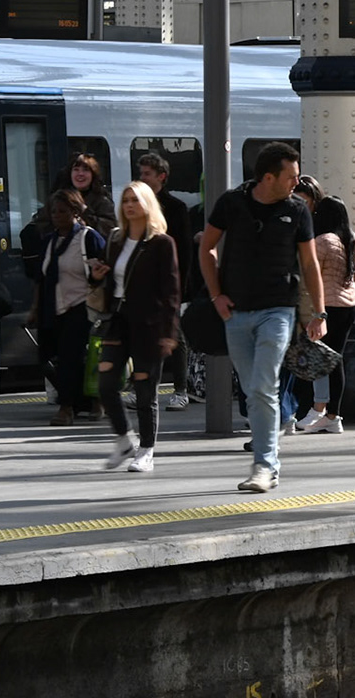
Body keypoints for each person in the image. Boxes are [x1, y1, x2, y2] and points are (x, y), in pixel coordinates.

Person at [199, 141, 326, 493]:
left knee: (263, 385)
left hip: (278, 310)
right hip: (236, 311)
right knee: (253, 391)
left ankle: (265, 465)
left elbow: (310, 263)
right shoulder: (231, 203)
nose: (296, 184)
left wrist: (319, 312)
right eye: (291, 177)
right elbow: (206, 247)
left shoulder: (297, 211)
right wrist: (216, 296)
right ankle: (267, 461)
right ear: (268, 177)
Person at [92, 182, 181, 472]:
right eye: (126, 200)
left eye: (135, 200)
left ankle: (147, 450)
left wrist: (169, 332)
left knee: (145, 391)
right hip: (117, 320)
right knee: (105, 384)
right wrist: (97, 276)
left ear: (147, 204)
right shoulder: (115, 239)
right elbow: (108, 282)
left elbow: (171, 291)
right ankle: (123, 439)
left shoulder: (161, 243)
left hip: (149, 324)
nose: (129, 205)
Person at [290, 178, 355, 433]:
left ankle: (321, 412)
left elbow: (310, 277)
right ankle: (332, 414)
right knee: (336, 360)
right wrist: (351, 295)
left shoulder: (322, 241)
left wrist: (312, 312)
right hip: (349, 306)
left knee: (319, 360)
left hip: (326, 308)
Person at [29, 190, 107, 424]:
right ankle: (89, 399)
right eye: (53, 211)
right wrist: (34, 309)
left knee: (70, 356)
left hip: (82, 306)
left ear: (75, 212)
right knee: (49, 356)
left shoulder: (88, 238)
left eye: (62, 211)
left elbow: (104, 272)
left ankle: (66, 408)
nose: (56, 216)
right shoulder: (50, 242)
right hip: (54, 308)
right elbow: (40, 279)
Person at [137, 152, 196, 410]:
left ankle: (180, 389)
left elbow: (184, 251)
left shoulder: (175, 208)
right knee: (145, 333)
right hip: (145, 281)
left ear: (161, 177)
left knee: (176, 334)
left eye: (147, 174)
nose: (142, 178)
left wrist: (181, 286)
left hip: (169, 280)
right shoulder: (138, 206)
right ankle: (143, 386)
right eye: (141, 174)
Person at [45, 152, 116, 232]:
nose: (80, 174)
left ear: (93, 175)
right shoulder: (57, 198)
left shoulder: (103, 200)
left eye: (85, 170)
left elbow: (108, 229)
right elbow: (43, 223)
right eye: (76, 169)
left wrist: (84, 212)